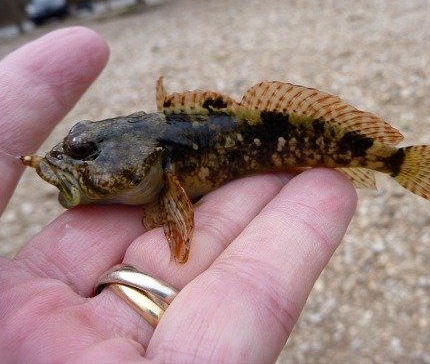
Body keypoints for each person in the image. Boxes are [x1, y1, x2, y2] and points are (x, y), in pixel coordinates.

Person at [0, 27, 356, 362]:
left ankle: (387, 159)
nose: (68, 165)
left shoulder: (160, 161)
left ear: (149, 158)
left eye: (82, 155)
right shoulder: (154, 155)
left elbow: (176, 216)